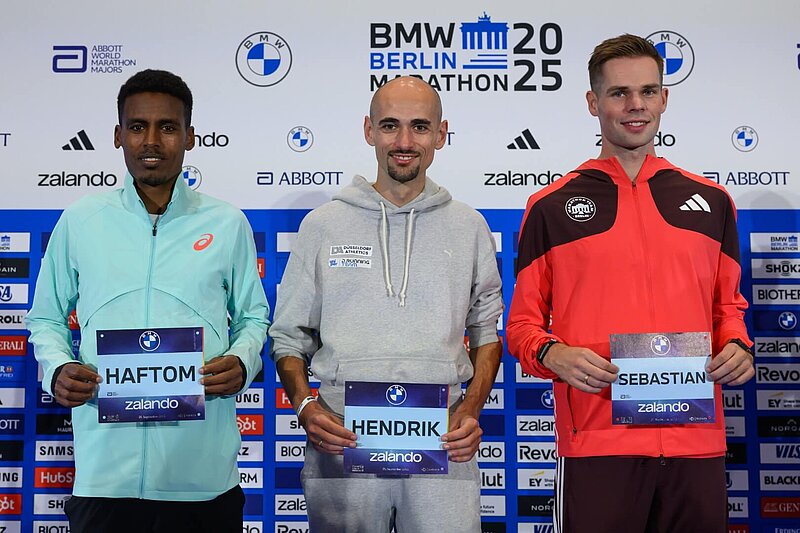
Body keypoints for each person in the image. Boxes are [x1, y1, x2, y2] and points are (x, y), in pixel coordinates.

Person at [506, 35, 755, 533]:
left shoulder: (713, 201)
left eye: (647, 91)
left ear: (665, 98)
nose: (635, 105)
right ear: (593, 103)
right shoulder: (551, 207)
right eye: (619, 93)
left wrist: (738, 346)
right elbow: (521, 326)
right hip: (597, 440)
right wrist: (554, 354)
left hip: (695, 438)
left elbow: (729, 308)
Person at [26, 69, 269, 533]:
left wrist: (243, 360)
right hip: (104, 479)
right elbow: (46, 317)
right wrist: (56, 367)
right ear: (119, 136)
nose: (151, 140)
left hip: (203, 480)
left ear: (190, 136)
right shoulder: (81, 220)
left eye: (168, 127)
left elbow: (254, 315)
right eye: (138, 127)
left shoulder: (227, 222)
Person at [269, 76, 503, 532]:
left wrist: (471, 409)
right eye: (390, 125)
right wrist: (304, 408)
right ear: (368, 130)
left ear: (440, 133)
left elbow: (487, 332)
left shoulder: (469, 226)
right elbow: (287, 336)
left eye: (419, 127)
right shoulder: (323, 226)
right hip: (342, 438)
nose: (404, 141)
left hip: (442, 440)